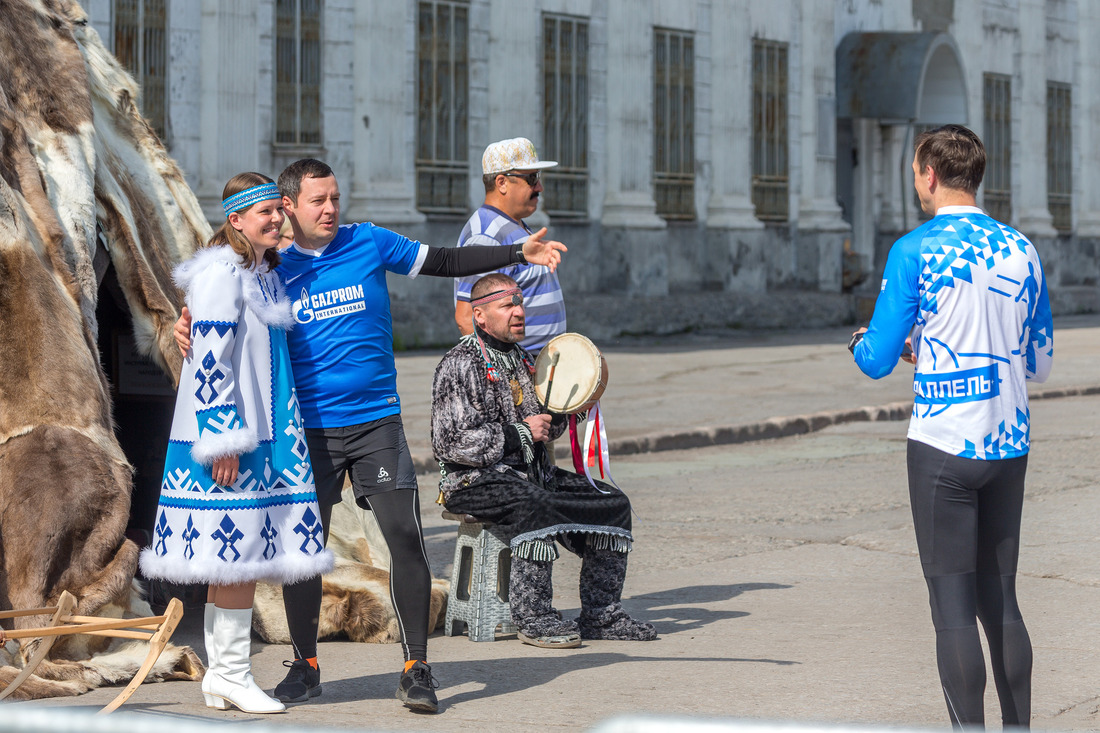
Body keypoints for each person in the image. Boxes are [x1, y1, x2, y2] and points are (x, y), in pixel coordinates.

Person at [175, 158, 566, 713]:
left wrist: (515, 252)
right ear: (289, 206)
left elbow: (445, 259)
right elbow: (221, 302)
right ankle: (305, 666)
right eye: (318, 201)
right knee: (302, 552)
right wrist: (183, 321)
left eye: (335, 197)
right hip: (307, 429)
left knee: (405, 539)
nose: (331, 209)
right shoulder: (272, 265)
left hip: (376, 421)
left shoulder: (369, 242)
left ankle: (417, 667)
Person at [850, 124, 1053, 729]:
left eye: (916, 173)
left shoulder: (914, 250)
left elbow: (877, 359)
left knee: (954, 610)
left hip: (942, 448)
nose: (916, 184)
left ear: (930, 176)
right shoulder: (1022, 249)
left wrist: (862, 338)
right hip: (1008, 443)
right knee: (1003, 604)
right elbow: (1039, 364)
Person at [142, 173, 333, 714]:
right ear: (236, 220)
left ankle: (221, 677)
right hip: (231, 440)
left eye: (279, 210)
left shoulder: (260, 270)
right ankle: (231, 674)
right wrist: (221, 437)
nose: (277, 219)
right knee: (237, 558)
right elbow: (208, 362)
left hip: (267, 435)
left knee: (237, 556)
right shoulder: (222, 273)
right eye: (266, 212)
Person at [432, 273, 656, 648]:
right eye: (508, 305)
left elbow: (545, 428)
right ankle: (533, 616)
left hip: (532, 476)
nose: (519, 312)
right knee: (536, 503)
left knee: (611, 502)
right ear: (480, 315)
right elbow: (450, 443)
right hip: (472, 482)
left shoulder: (523, 360)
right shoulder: (459, 364)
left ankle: (602, 615)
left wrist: (577, 405)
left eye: (520, 304)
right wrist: (519, 432)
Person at [453, 138, 566, 355]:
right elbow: (467, 317)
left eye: (538, 177)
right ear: (502, 183)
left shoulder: (514, 224)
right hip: (517, 376)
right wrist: (501, 374)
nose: (539, 187)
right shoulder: (485, 236)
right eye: (531, 178)